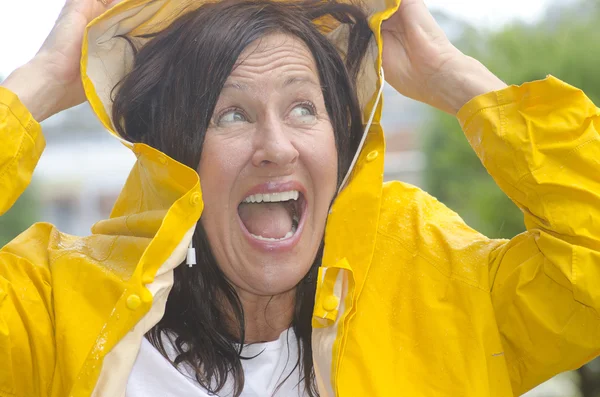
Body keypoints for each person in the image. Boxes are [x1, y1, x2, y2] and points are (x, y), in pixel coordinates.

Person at [1, 0, 599, 396]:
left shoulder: (432, 280)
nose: (276, 147)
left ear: (341, 140)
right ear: (174, 161)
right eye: (230, 113)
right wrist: (41, 83)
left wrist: (454, 76)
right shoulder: (55, 311)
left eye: (303, 109)